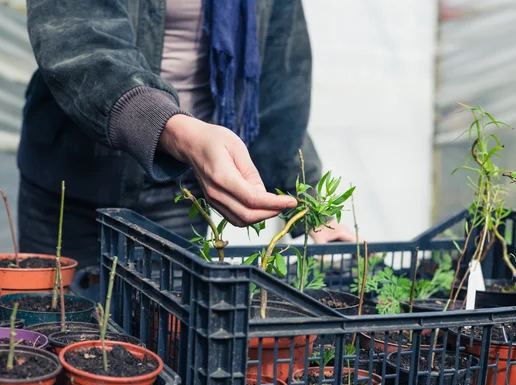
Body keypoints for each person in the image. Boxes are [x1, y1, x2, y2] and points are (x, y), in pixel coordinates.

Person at [18, 0, 355, 294]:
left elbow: (278, 88)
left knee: (166, 339)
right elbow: (78, 40)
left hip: (182, 187)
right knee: (57, 325)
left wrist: (311, 206)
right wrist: (178, 132)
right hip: (72, 178)